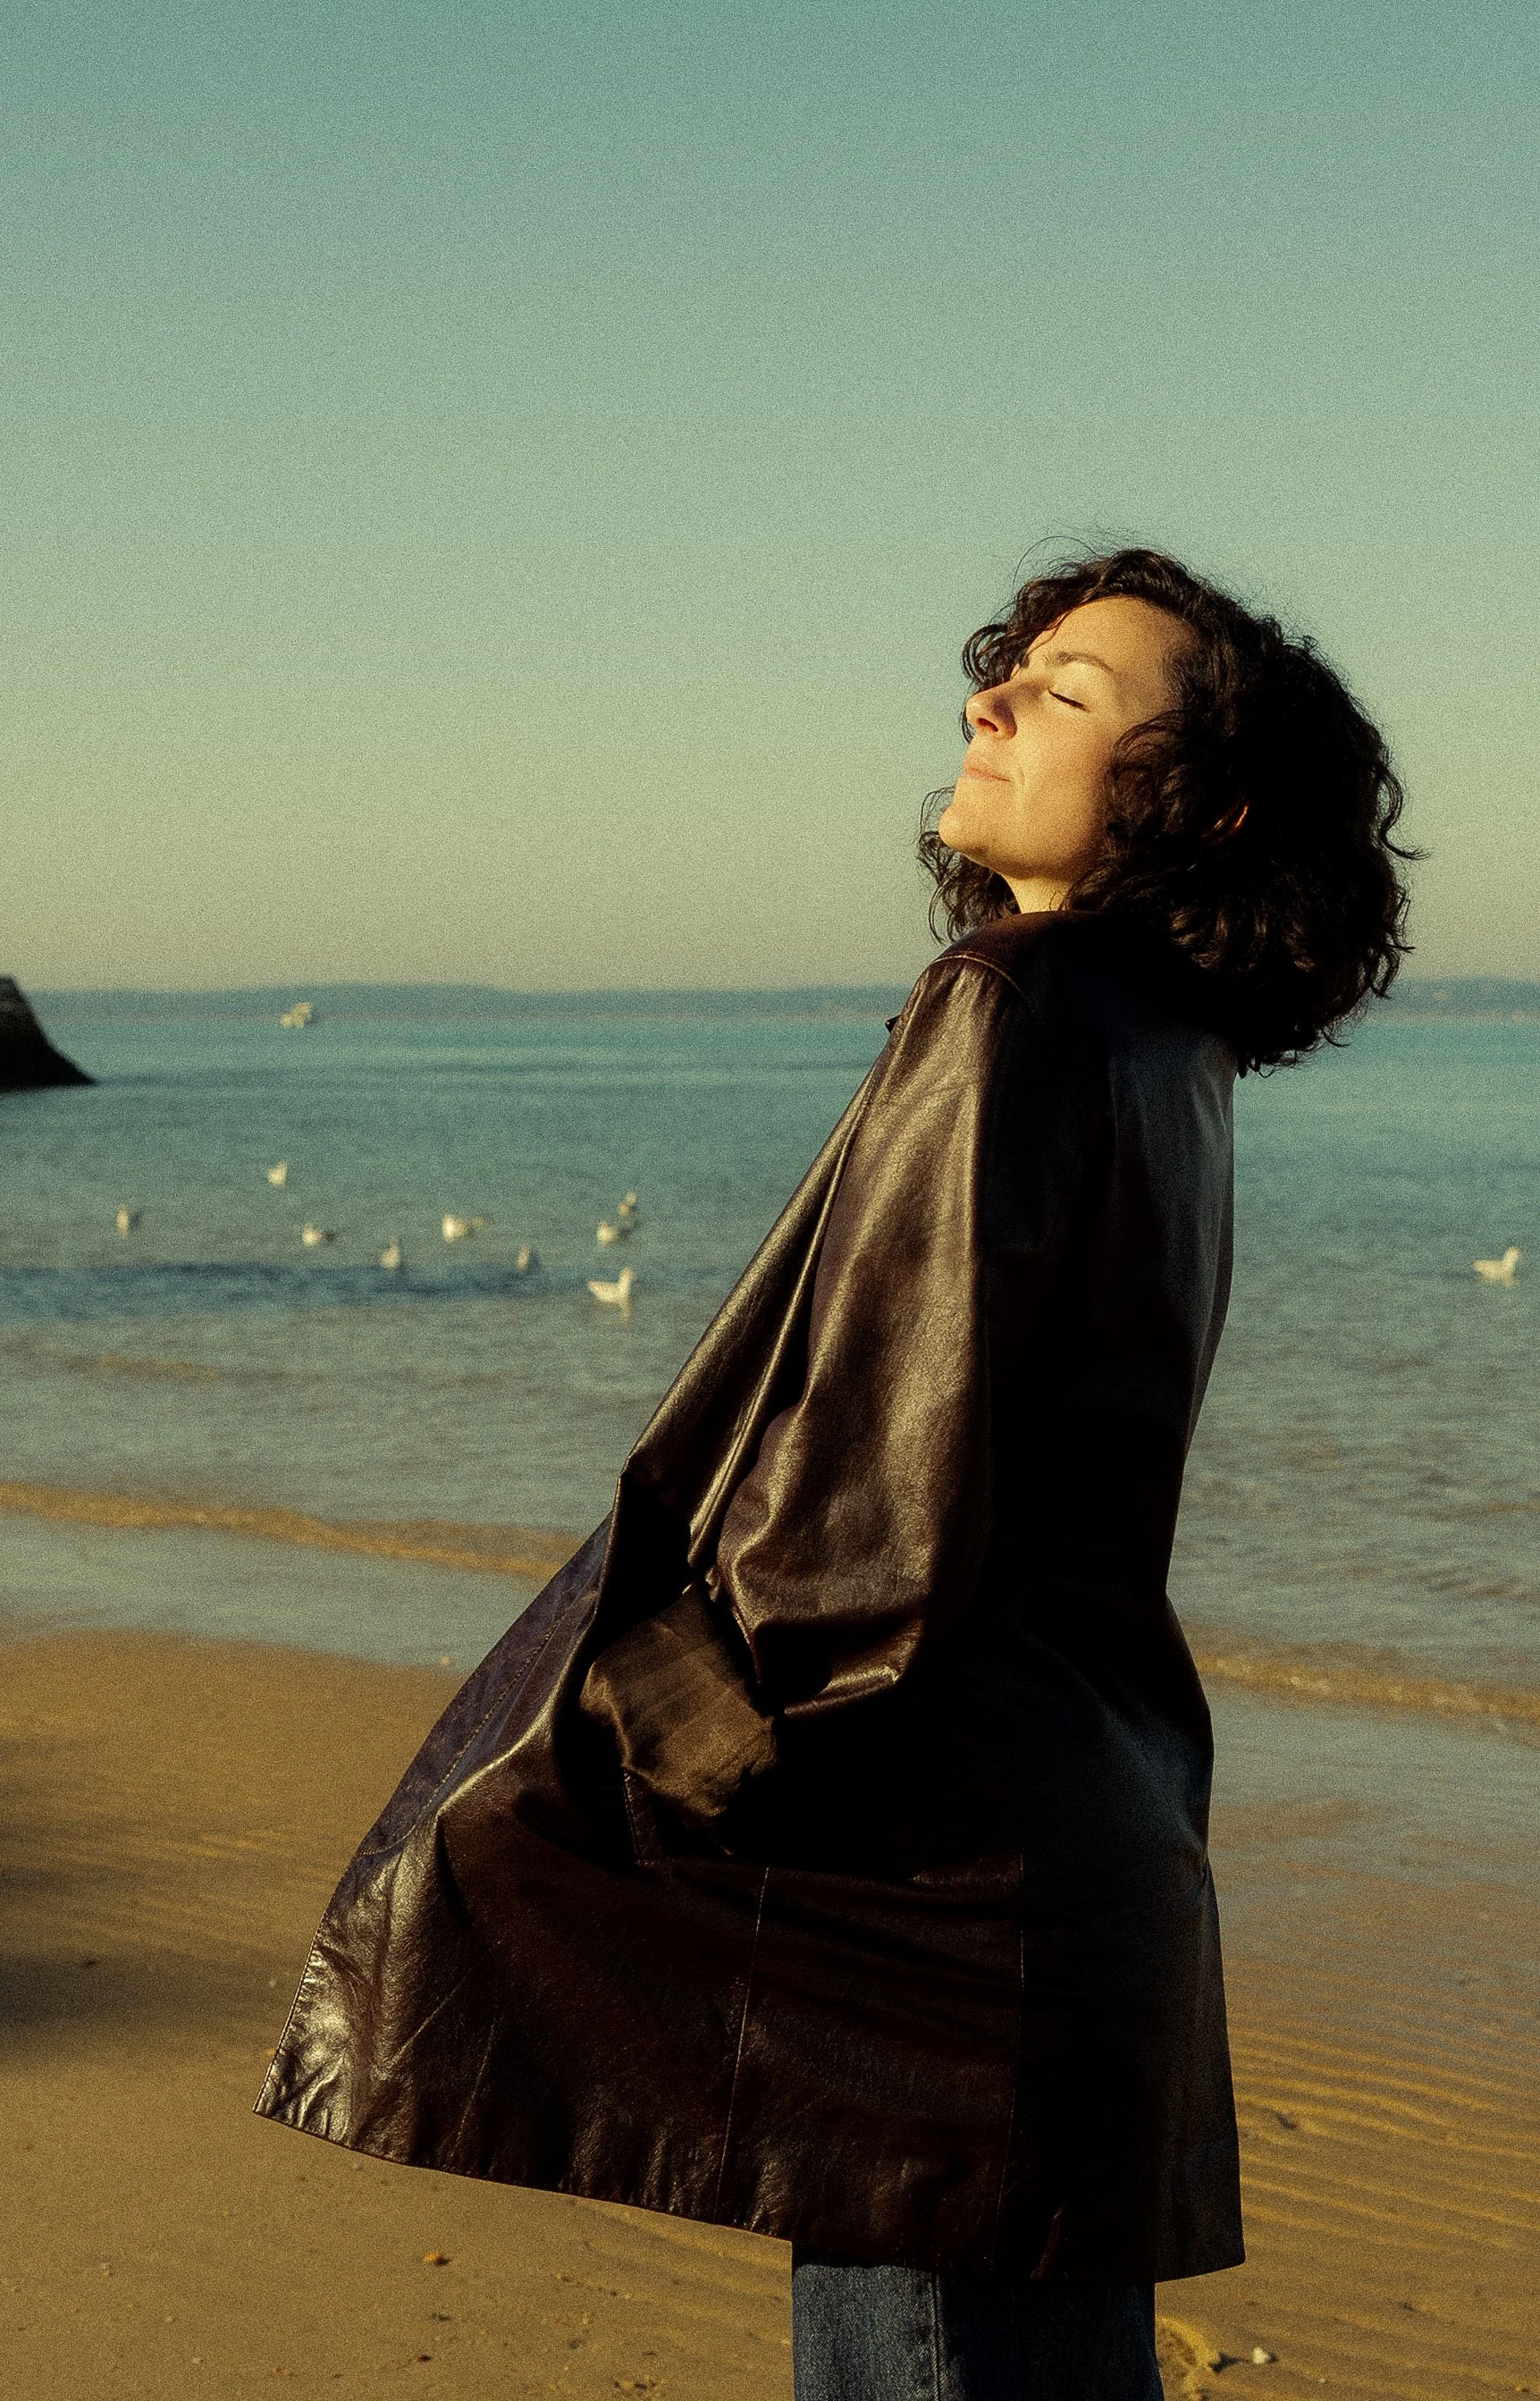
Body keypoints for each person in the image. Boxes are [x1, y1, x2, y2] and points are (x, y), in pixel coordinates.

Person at [257, 548, 1412, 2398]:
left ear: (1203, 795)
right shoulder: (1169, 1048)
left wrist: (650, 1724)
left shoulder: (1012, 1002)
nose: (989, 702)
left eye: (1062, 690)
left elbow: (865, 1521)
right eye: (1004, 671)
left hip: (927, 1894)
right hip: (1081, 1857)